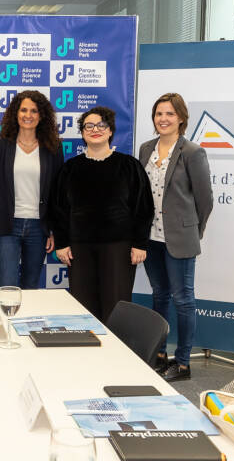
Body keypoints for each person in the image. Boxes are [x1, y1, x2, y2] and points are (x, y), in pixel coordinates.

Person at [50, 106, 154, 322]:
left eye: (101, 125)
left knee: (116, 305)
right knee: (83, 306)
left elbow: (143, 208)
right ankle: (87, 354)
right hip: (79, 249)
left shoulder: (129, 166)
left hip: (119, 248)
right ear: (82, 132)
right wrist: (61, 243)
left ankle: (116, 353)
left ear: (110, 131)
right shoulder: (70, 169)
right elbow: (59, 209)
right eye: (89, 126)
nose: (95, 129)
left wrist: (140, 244)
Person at [139, 93, 213, 382]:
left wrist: (193, 231)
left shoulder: (192, 152)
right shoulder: (146, 149)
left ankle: (182, 363)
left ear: (181, 118)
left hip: (180, 238)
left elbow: (205, 200)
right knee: (159, 295)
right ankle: (159, 354)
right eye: (159, 114)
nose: (163, 119)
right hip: (151, 237)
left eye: (170, 114)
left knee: (184, 300)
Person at [0, 90, 63, 289]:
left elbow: (58, 193)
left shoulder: (53, 148)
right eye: (23, 110)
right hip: (7, 226)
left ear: (42, 116)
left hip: (38, 228)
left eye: (34, 111)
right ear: (16, 113)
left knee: (31, 286)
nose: (28, 115)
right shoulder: (2, 146)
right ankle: (7, 321)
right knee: (7, 286)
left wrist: (54, 230)